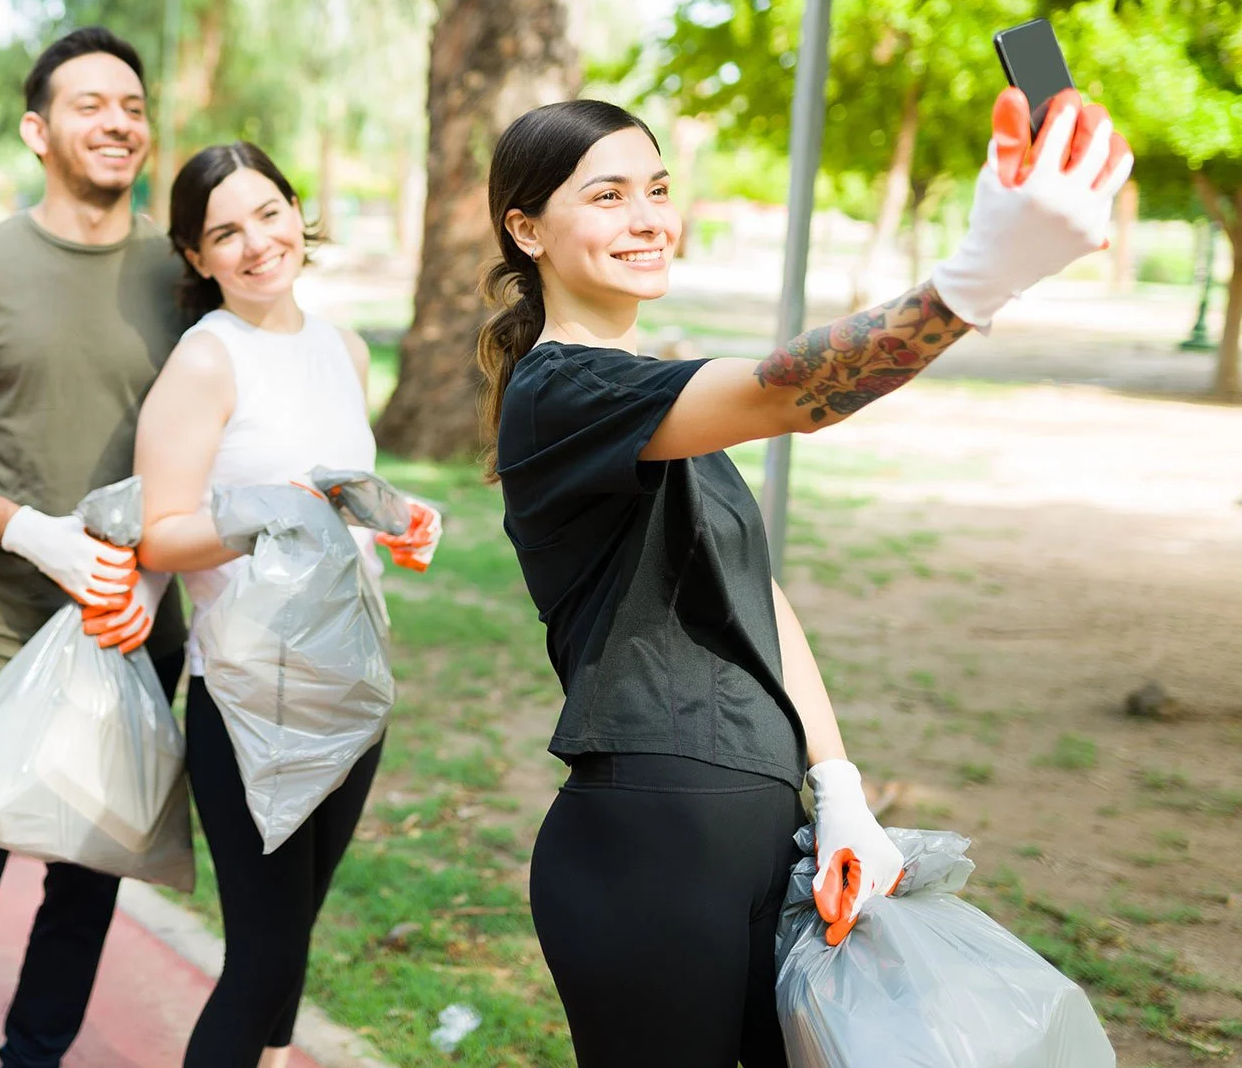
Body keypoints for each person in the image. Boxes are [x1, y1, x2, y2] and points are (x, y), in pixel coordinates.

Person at [481, 90, 1132, 1067]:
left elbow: (755, 595)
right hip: (650, 848)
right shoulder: (560, 392)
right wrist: (974, 280)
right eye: (607, 195)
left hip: (761, 833)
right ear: (525, 229)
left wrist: (840, 792)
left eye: (656, 188)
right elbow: (792, 392)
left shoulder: (651, 389)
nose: (649, 216)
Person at [0, 27, 190, 1068]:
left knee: (85, 894)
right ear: (36, 129)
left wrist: (149, 571)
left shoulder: (184, 275)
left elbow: (222, 442)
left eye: (133, 106)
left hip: (133, 635)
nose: (118, 123)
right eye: (91, 104)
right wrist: (35, 535)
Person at [132, 141, 441, 1068]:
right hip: (248, 697)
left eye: (268, 213)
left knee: (292, 941)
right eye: (225, 232)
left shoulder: (341, 346)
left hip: (348, 681)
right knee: (262, 956)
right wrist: (275, 510)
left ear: (295, 209)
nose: (256, 243)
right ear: (196, 257)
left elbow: (341, 498)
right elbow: (161, 534)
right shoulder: (206, 359)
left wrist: (397, 522)